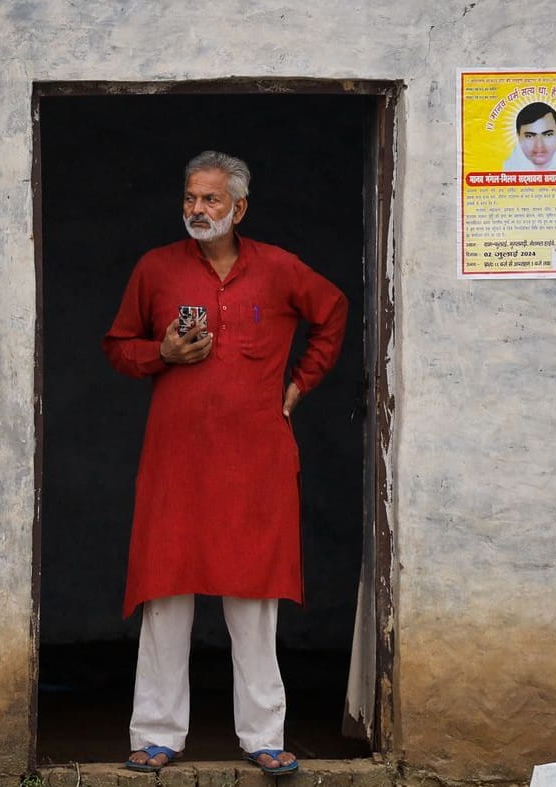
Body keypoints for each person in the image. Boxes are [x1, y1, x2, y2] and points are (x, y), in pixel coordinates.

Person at [103, 150, 347, 777]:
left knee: (253, 600)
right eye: (190, 198)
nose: (197, 210)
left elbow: (333, 311)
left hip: (255, 462)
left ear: (239, 207)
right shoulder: (156, 269)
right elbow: (119, 347)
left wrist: (301, 384)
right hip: (176, 460)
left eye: (211, 200)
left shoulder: (279, 270)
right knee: (165, 596)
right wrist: (160, 353)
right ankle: (157, 734)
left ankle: (264, 736)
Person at [502, 102, 556, 171]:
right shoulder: (507, 169)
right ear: (518, 136)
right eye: (529, 136)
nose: (539, 145)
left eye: (548, 135)